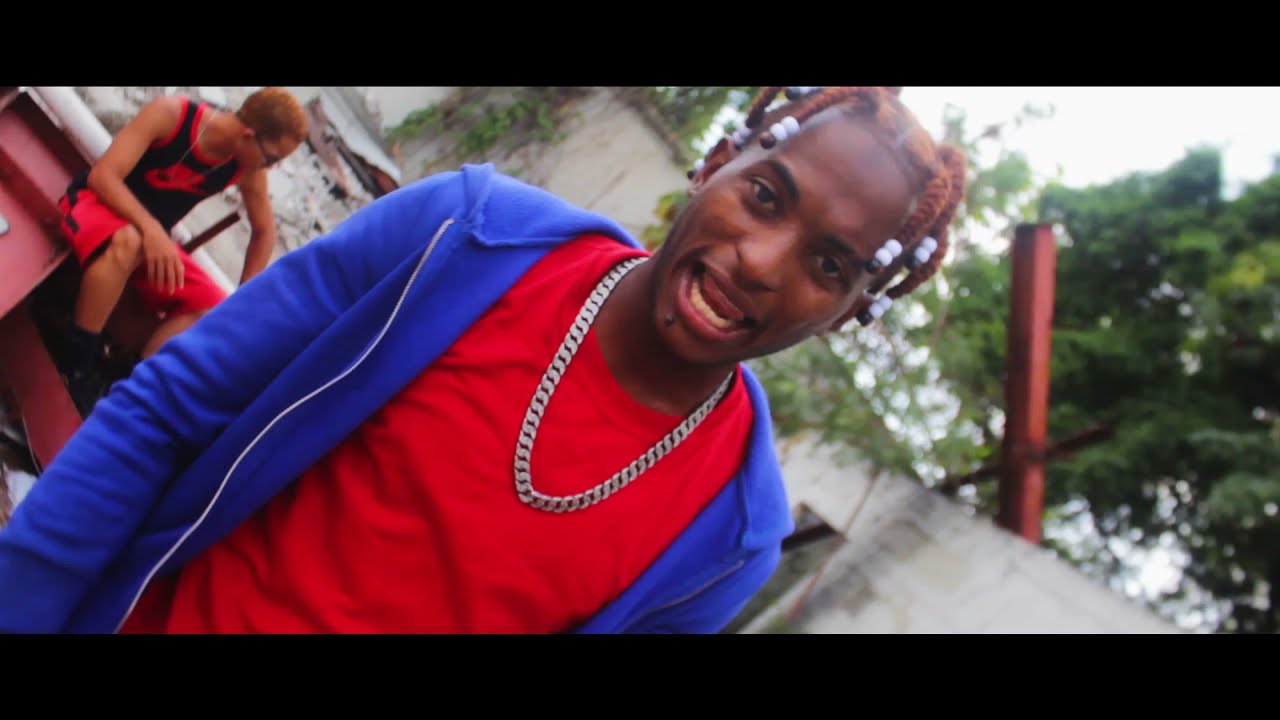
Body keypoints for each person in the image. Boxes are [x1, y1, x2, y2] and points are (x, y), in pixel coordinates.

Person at [0, 86, 967, 634]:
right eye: (765, 197)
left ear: (849, 312)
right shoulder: (462, 238)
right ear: (717, 164)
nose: (761, 261)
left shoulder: (728, 537)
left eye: (828, 266)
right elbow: (168, 412)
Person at [54, 87, 308, 416]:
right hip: (93, 207)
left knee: (212, 307)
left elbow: (264, 232)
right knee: (130, 242)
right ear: (248, 135)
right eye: (271, 158)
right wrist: (151, 229)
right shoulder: (170, 115)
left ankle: (123, 386)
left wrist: (244, 299)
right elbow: (103, 177)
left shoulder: (246, 168)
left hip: (146, 240)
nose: (269, 168)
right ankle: (75, 366)